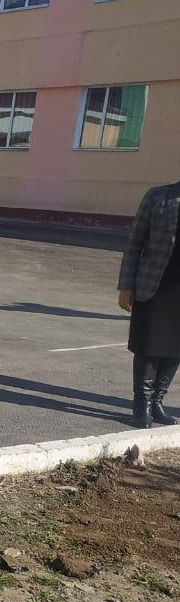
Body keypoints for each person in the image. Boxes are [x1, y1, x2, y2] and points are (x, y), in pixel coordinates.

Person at [119, 180, 180, 428]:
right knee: (148, 345)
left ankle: (157, 402)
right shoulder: (158, 197)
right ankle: (141, 405)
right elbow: (135, 243)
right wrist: (126, 286)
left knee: (176, 347)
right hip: (154, 284)